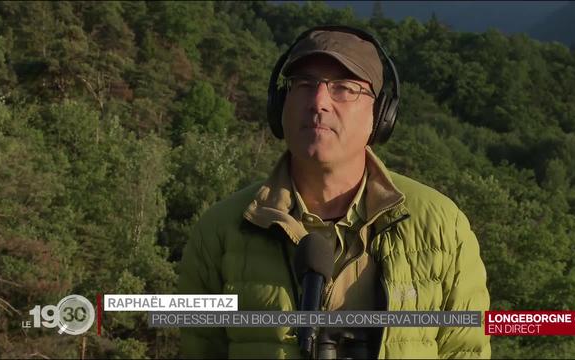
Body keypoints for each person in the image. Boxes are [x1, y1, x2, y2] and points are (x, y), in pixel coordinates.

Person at [178, 25, 490, 359]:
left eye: (344, 88)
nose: (319, 102)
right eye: (304, 84)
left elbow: (465, 351)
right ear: (280, 104)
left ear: (382, 115)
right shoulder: (220, 230)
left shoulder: (442, 225)